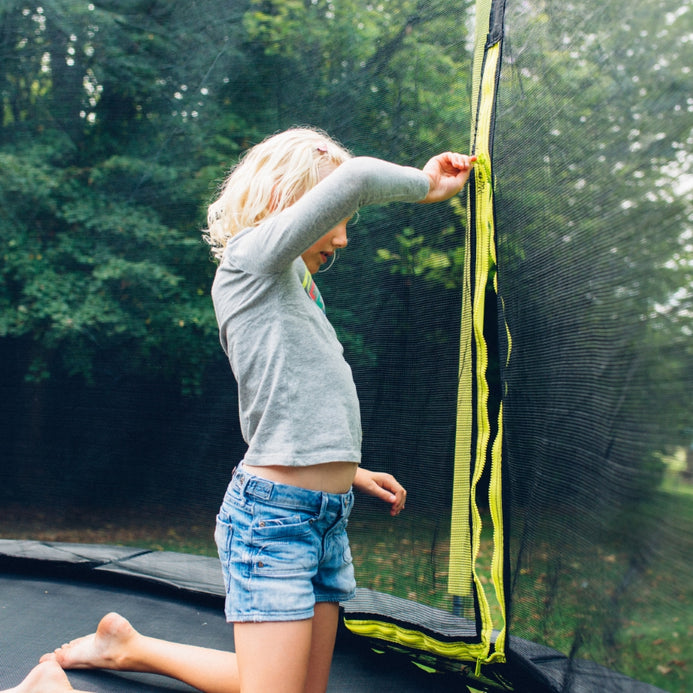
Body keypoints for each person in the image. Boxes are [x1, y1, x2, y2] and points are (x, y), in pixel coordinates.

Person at [2, 127, 475, 693]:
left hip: (325, 517)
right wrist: (426, 184)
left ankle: (128, 648)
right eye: (335, 217)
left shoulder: (293, 288)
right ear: (284, 200)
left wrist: (349, 470)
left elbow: (293, 399)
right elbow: (354, 178)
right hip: (275, 519)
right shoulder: (249, 262)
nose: (343, 237)